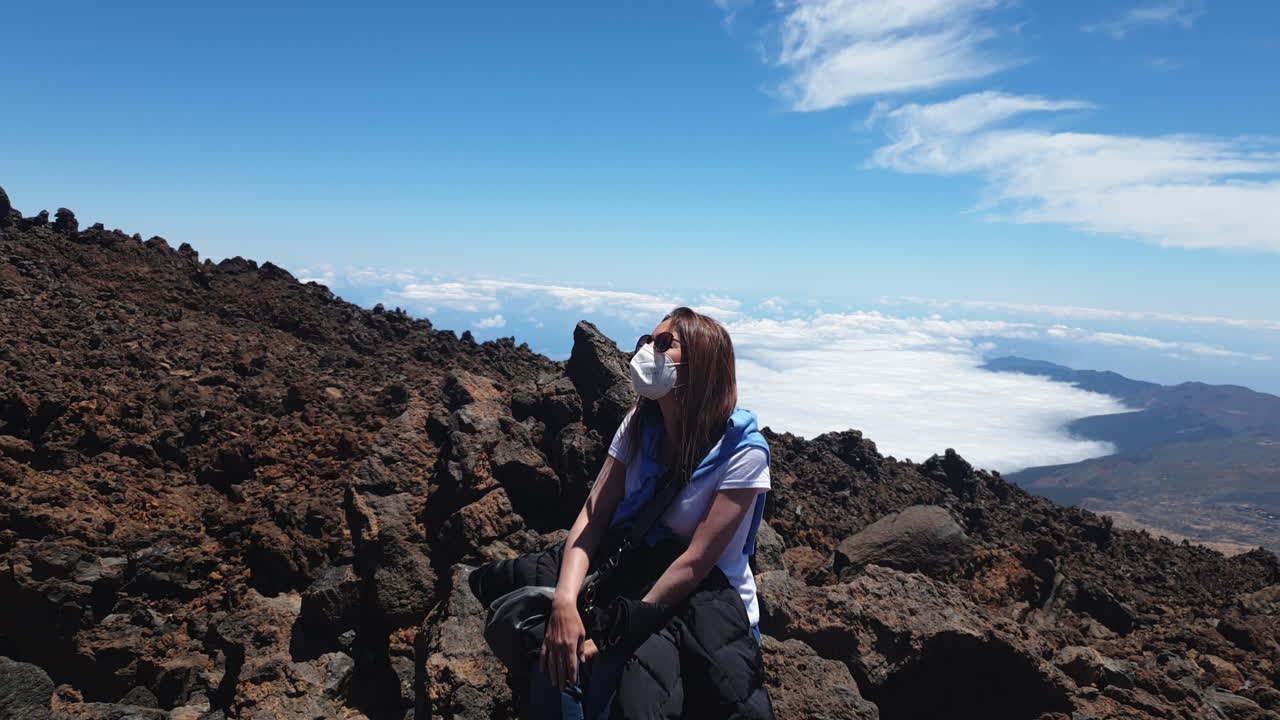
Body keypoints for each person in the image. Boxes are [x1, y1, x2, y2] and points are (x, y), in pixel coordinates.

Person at [528, 306, 773, 719]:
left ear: (702, 362)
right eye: (647, 339)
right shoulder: (639, 425)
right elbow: (593, 516)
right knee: (555, 667)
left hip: (705, 598)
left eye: (664, 343)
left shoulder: (743, 453)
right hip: (634, 576)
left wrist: (612, 634)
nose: (647, 349)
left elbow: (695, 562)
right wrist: (565, 602)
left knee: (623, 693)